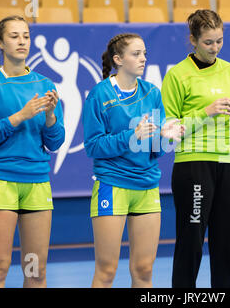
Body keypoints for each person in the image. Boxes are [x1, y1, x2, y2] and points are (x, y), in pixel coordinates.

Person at [0, 15, 65, 288]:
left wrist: (49, 119)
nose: (21, 41)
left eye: (25, 35)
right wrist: (18, 117)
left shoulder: (45, 84)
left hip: (37, 184)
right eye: (14, 36)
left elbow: (55, 142)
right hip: (2, 183)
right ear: (0, 42)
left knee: (35, 270)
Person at [83, 33, 185, 288]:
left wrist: (166, 138)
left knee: (144, 269)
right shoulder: (99, 95)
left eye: (144, 54)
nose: (143, 59)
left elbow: (155, 151)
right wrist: (132, 135)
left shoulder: (152, 92)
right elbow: (93, 146)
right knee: (106, 270)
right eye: (136, 54)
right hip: (112, 184)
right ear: (118, 59)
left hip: (146, 185)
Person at [161, 9, 230, 288]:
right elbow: (168, 135)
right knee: (190, 242)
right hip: (194, 166)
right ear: (193, 40)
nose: (215, 48)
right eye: (208, 42)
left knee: (227, 246)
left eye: (219, 41)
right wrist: (206, 112)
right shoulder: (177, 75)